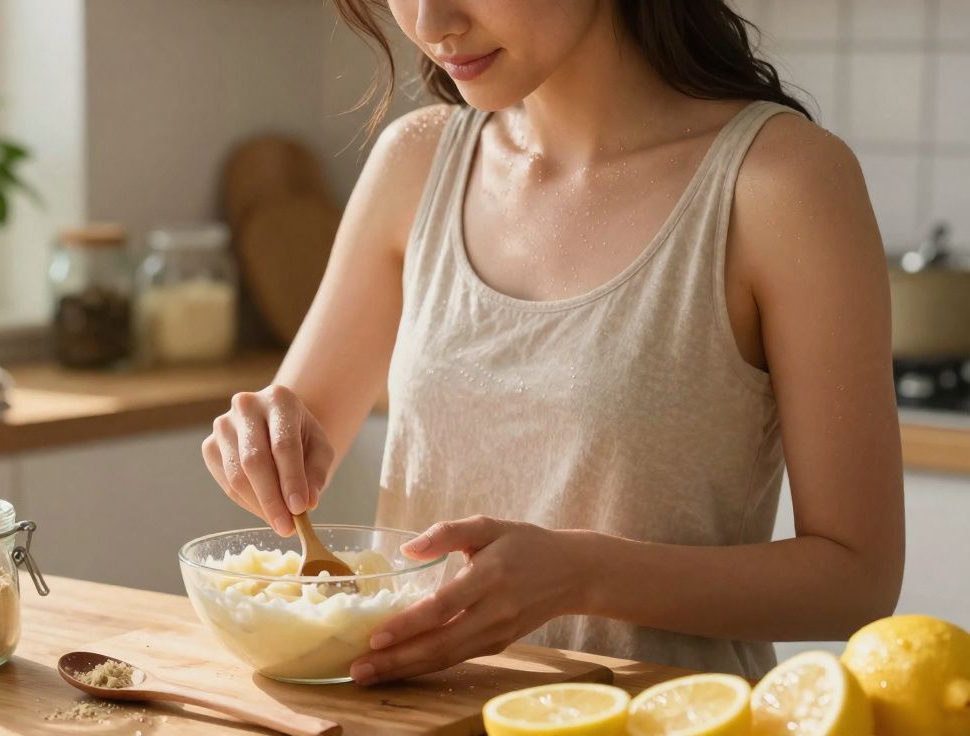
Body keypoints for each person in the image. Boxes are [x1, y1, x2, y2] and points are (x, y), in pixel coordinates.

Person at [202, 0, 904, 682]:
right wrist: (261, 439)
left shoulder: (782, 182)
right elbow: (294, 437)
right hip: (412, 717)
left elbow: (857, 579)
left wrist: (587, 575)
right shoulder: (416, 160)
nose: (431, 22)